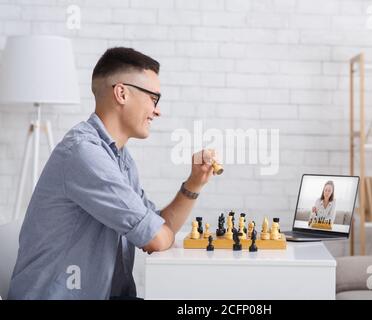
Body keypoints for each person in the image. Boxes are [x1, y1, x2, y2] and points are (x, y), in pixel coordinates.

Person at [8, 47, 217, 300]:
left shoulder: (120, 158)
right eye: (154, 99)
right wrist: (158, 233)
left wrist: (194, 183)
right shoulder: (84, 154)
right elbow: (156, 239)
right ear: (121, 93)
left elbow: (160, 227)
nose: (157, 111)